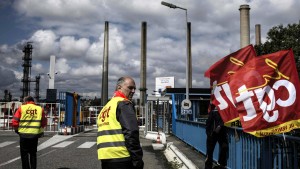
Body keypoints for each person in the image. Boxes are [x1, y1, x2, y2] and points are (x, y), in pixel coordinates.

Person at [97, 76, 144, 169]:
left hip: (106, 157)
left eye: (134, 88)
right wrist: (137, 160)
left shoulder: (107, 107)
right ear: (119, 87)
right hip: (122, 157)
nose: (133, 91)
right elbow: (131, 132)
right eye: (130, 88)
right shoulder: (124, 104)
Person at [12, 96, 47, 169]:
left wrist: (16, 130)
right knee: (33, 154)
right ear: (32, 101)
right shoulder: (40, 109)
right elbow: (44, 122)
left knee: (24, 154)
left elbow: (15, 121)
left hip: (23, 135)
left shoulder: (21, 108)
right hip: (34, 135)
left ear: (26, 101)